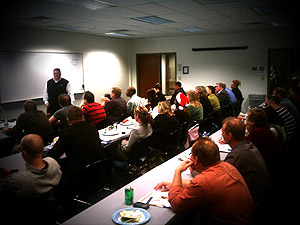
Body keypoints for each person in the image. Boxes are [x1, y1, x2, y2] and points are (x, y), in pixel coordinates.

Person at [154, 137, 254, 225]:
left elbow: (176, 203)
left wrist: (178, 172)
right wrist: (175, 184)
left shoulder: (202, 182)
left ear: (196, 160)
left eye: (191, 155)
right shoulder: (228, 166)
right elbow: (204, 185)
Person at [220, 117, 272, 208]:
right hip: (263, 197)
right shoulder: (249, 146)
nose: (221, 134)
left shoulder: (237, 155)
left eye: (223, 132)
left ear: (229, 136)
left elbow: (218, 180)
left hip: (253, 202)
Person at [0, 134, 62, 198]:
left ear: (24, 154)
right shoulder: (53, 162)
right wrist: (12, 172)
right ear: (43, 148)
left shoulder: (16, 180)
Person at [245, 108, 282, 180]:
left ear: (252, 122)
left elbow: (242, 144)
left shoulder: (257, 134)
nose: (246, 122)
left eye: (247, 119)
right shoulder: (265, 129)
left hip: (268, 172)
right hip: (274, 167)